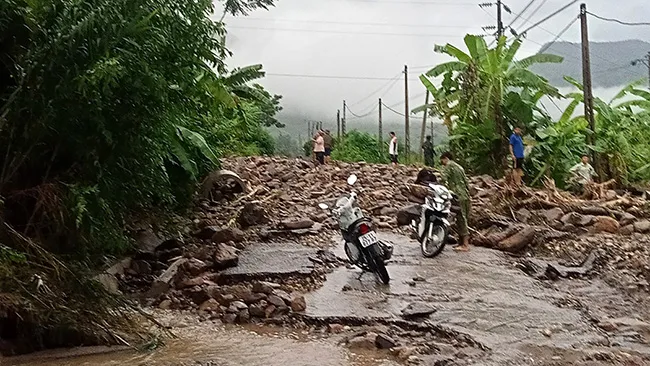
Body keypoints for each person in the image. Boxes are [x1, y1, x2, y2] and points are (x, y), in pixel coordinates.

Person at [440, 151, 471, 252]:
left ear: (445, 158)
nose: (443, 163)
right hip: (465, 195)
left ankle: (465, 245)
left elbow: (444, 178)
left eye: (442, 161)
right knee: (464, 217)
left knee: (461, 219)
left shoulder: (449, 166)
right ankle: (461, 242)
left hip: (457, 195)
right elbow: (466, 182)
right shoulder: (459, 167)